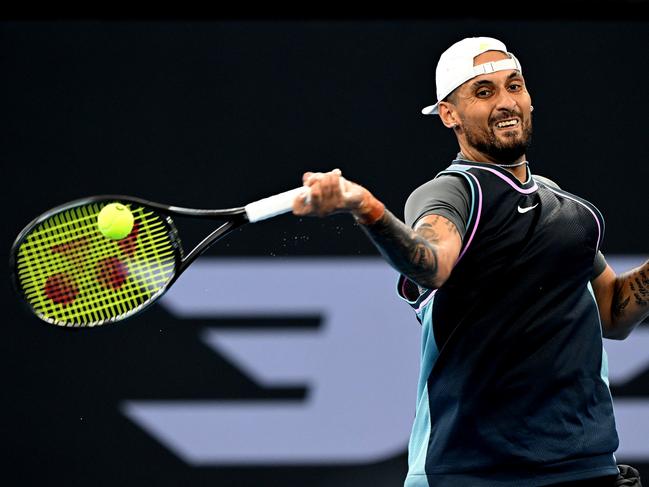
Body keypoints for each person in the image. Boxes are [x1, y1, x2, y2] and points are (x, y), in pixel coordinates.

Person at [292, 37, 646, 486]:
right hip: (473, 473)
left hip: (583, 468)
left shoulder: (562, 205)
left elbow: (613, 311)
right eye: (483, 92)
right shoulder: (453, 193)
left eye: (513, 86)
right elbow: (432, 264)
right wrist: (368, 208)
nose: (506, 103)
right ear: (449, 114)